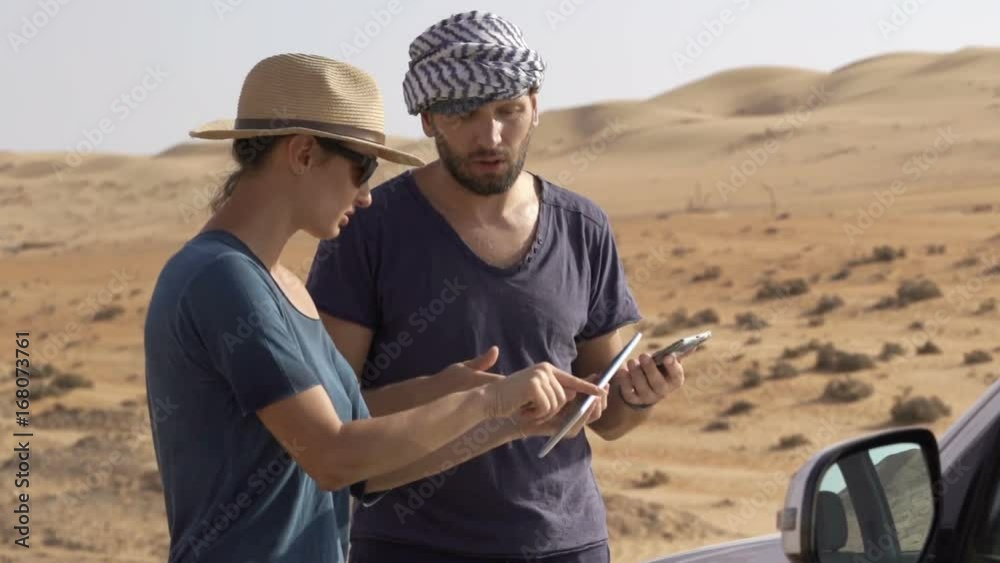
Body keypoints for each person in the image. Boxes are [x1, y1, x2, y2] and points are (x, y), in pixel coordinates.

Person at [143, 53, 607, 563]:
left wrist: (512, 421)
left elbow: (367, 471)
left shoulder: (282, 286)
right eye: (361, 168)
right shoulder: (222, 278)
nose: (366, 195)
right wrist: (487, 402)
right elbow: (332, 457)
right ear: (303, 154)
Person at [305, 11, 686, 563]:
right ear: (428, 118)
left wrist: (637, 395)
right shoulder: (367, 227)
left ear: (534, 105)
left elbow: (607, 417)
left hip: (567, 545)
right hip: (411, 545)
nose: (490, 137)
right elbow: (331, 418)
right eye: (463, 115)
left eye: (508, 111)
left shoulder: (583, 228)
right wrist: (472, 403)